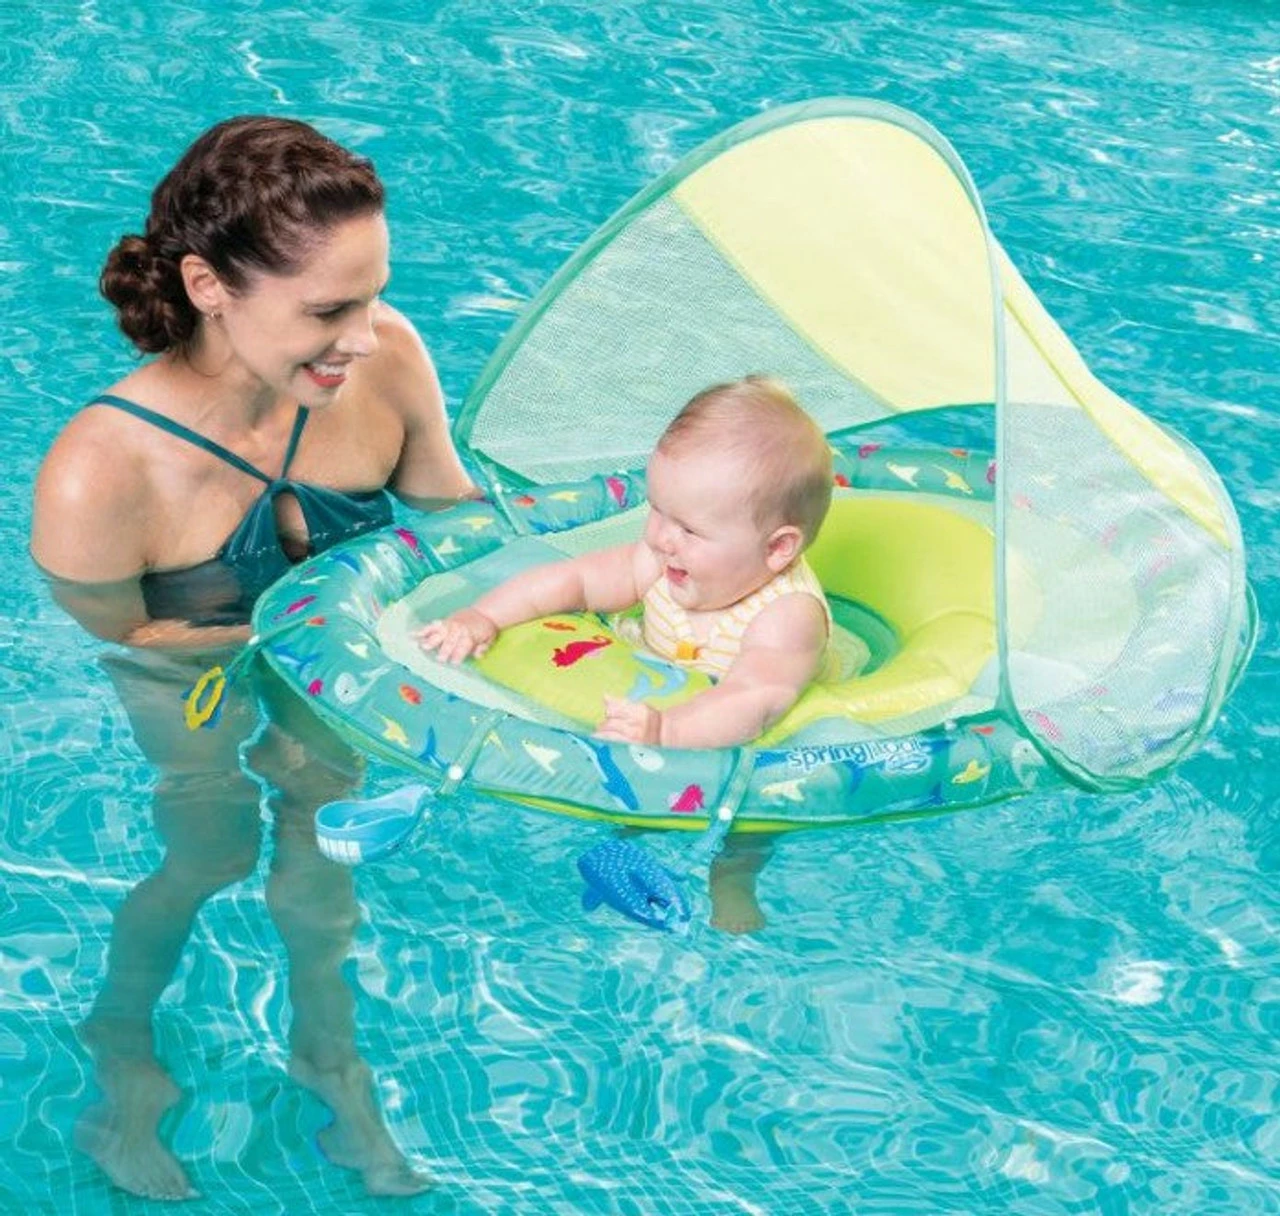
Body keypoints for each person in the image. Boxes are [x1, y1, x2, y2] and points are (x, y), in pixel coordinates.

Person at [29, 115, 478, 1200]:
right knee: (209, 851)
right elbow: (120, 635)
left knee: (325, 843)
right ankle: (122, 1055)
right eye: (327, 310)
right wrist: (308, 632)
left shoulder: (387, 361)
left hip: (340, 661)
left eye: (372, 296)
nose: (363, 336)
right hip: (188, 670)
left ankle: (330, 1056)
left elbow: (457, 528)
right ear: (208, 286)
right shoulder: (101, 469)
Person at [419, 376, 834, 931]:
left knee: (751, 820)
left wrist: (667, 730)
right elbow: (573, 581)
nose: (661, 537)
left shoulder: (786, 615)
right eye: (657, 510)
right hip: (658, 685)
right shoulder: (664, 560)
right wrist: (483, 617)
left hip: (734, 741)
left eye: (688, 528)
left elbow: (755, 698)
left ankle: (732, 885)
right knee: (628, 804)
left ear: (777, 548)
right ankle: (624, 852)